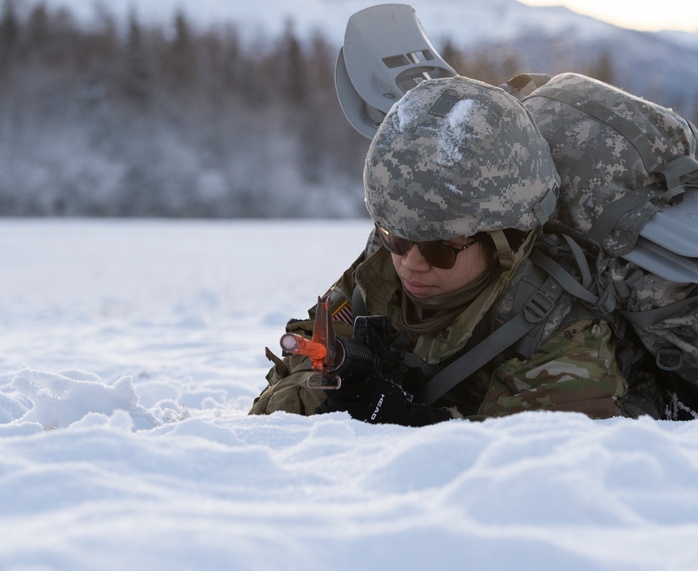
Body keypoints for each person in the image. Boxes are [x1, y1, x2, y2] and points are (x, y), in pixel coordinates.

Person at [249, 75, 629, 423]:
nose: (410, 264)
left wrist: (413, 422)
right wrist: (317, 391)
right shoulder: (380, 274)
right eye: (394, 237)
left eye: (441, 249)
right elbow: (307, 352)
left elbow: (528, 464)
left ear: (505, 241)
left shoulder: (561, 333)